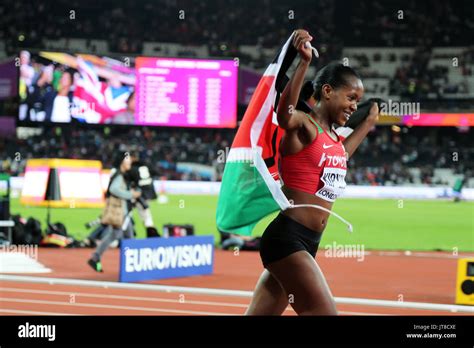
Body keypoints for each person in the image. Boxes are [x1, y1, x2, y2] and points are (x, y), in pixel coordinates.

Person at [245, 30, 380, 315]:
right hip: (287, 239)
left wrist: (367, 123)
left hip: (307, 242)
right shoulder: (305, 126)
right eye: (351, 97)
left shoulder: (332, 139)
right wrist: (303, 62)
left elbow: (342, 155)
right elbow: (284, 114)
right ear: (327, 91)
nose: (354, 105)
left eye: (358, 100)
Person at [87, 153, 141, 272]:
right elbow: (113, 189)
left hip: (122, 212)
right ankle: (131, 266)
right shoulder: (119, 175)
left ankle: (96, 257)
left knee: (118, 236)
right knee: (127, 238)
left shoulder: (120, 175)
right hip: (120, 213)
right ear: (122, 162)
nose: (130, 164)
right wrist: (131, 194)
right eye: (128, 161)